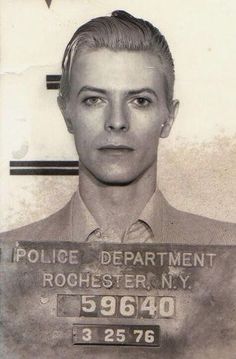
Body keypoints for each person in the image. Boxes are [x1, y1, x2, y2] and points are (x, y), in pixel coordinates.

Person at [0, 10, 235, 244]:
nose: (117, 121)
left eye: (140, 101)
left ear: (169, 118)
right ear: (67, 114)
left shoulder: (227, 249)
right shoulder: (9, 256)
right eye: (93, 100)